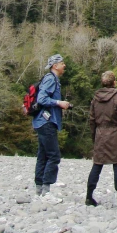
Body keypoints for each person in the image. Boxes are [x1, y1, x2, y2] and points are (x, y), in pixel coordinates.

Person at [86, 71, 117, 208]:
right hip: (115, 134)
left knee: (97, 165)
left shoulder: (95, 98)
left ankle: (89, 196)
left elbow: (92, 119)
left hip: (100, 134)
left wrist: (94, 136)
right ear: (114, 82)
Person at [33, 54, 72, 202]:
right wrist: (58, 103)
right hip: (46, 122)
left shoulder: (51, 79)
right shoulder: (51, 79)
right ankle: (46, 191)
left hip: (41, 122)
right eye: (62, 63)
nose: (64, 66)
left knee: (43, 155)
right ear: (54, 65)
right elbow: (41, 99)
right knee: (54, 155)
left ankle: (39, 189)